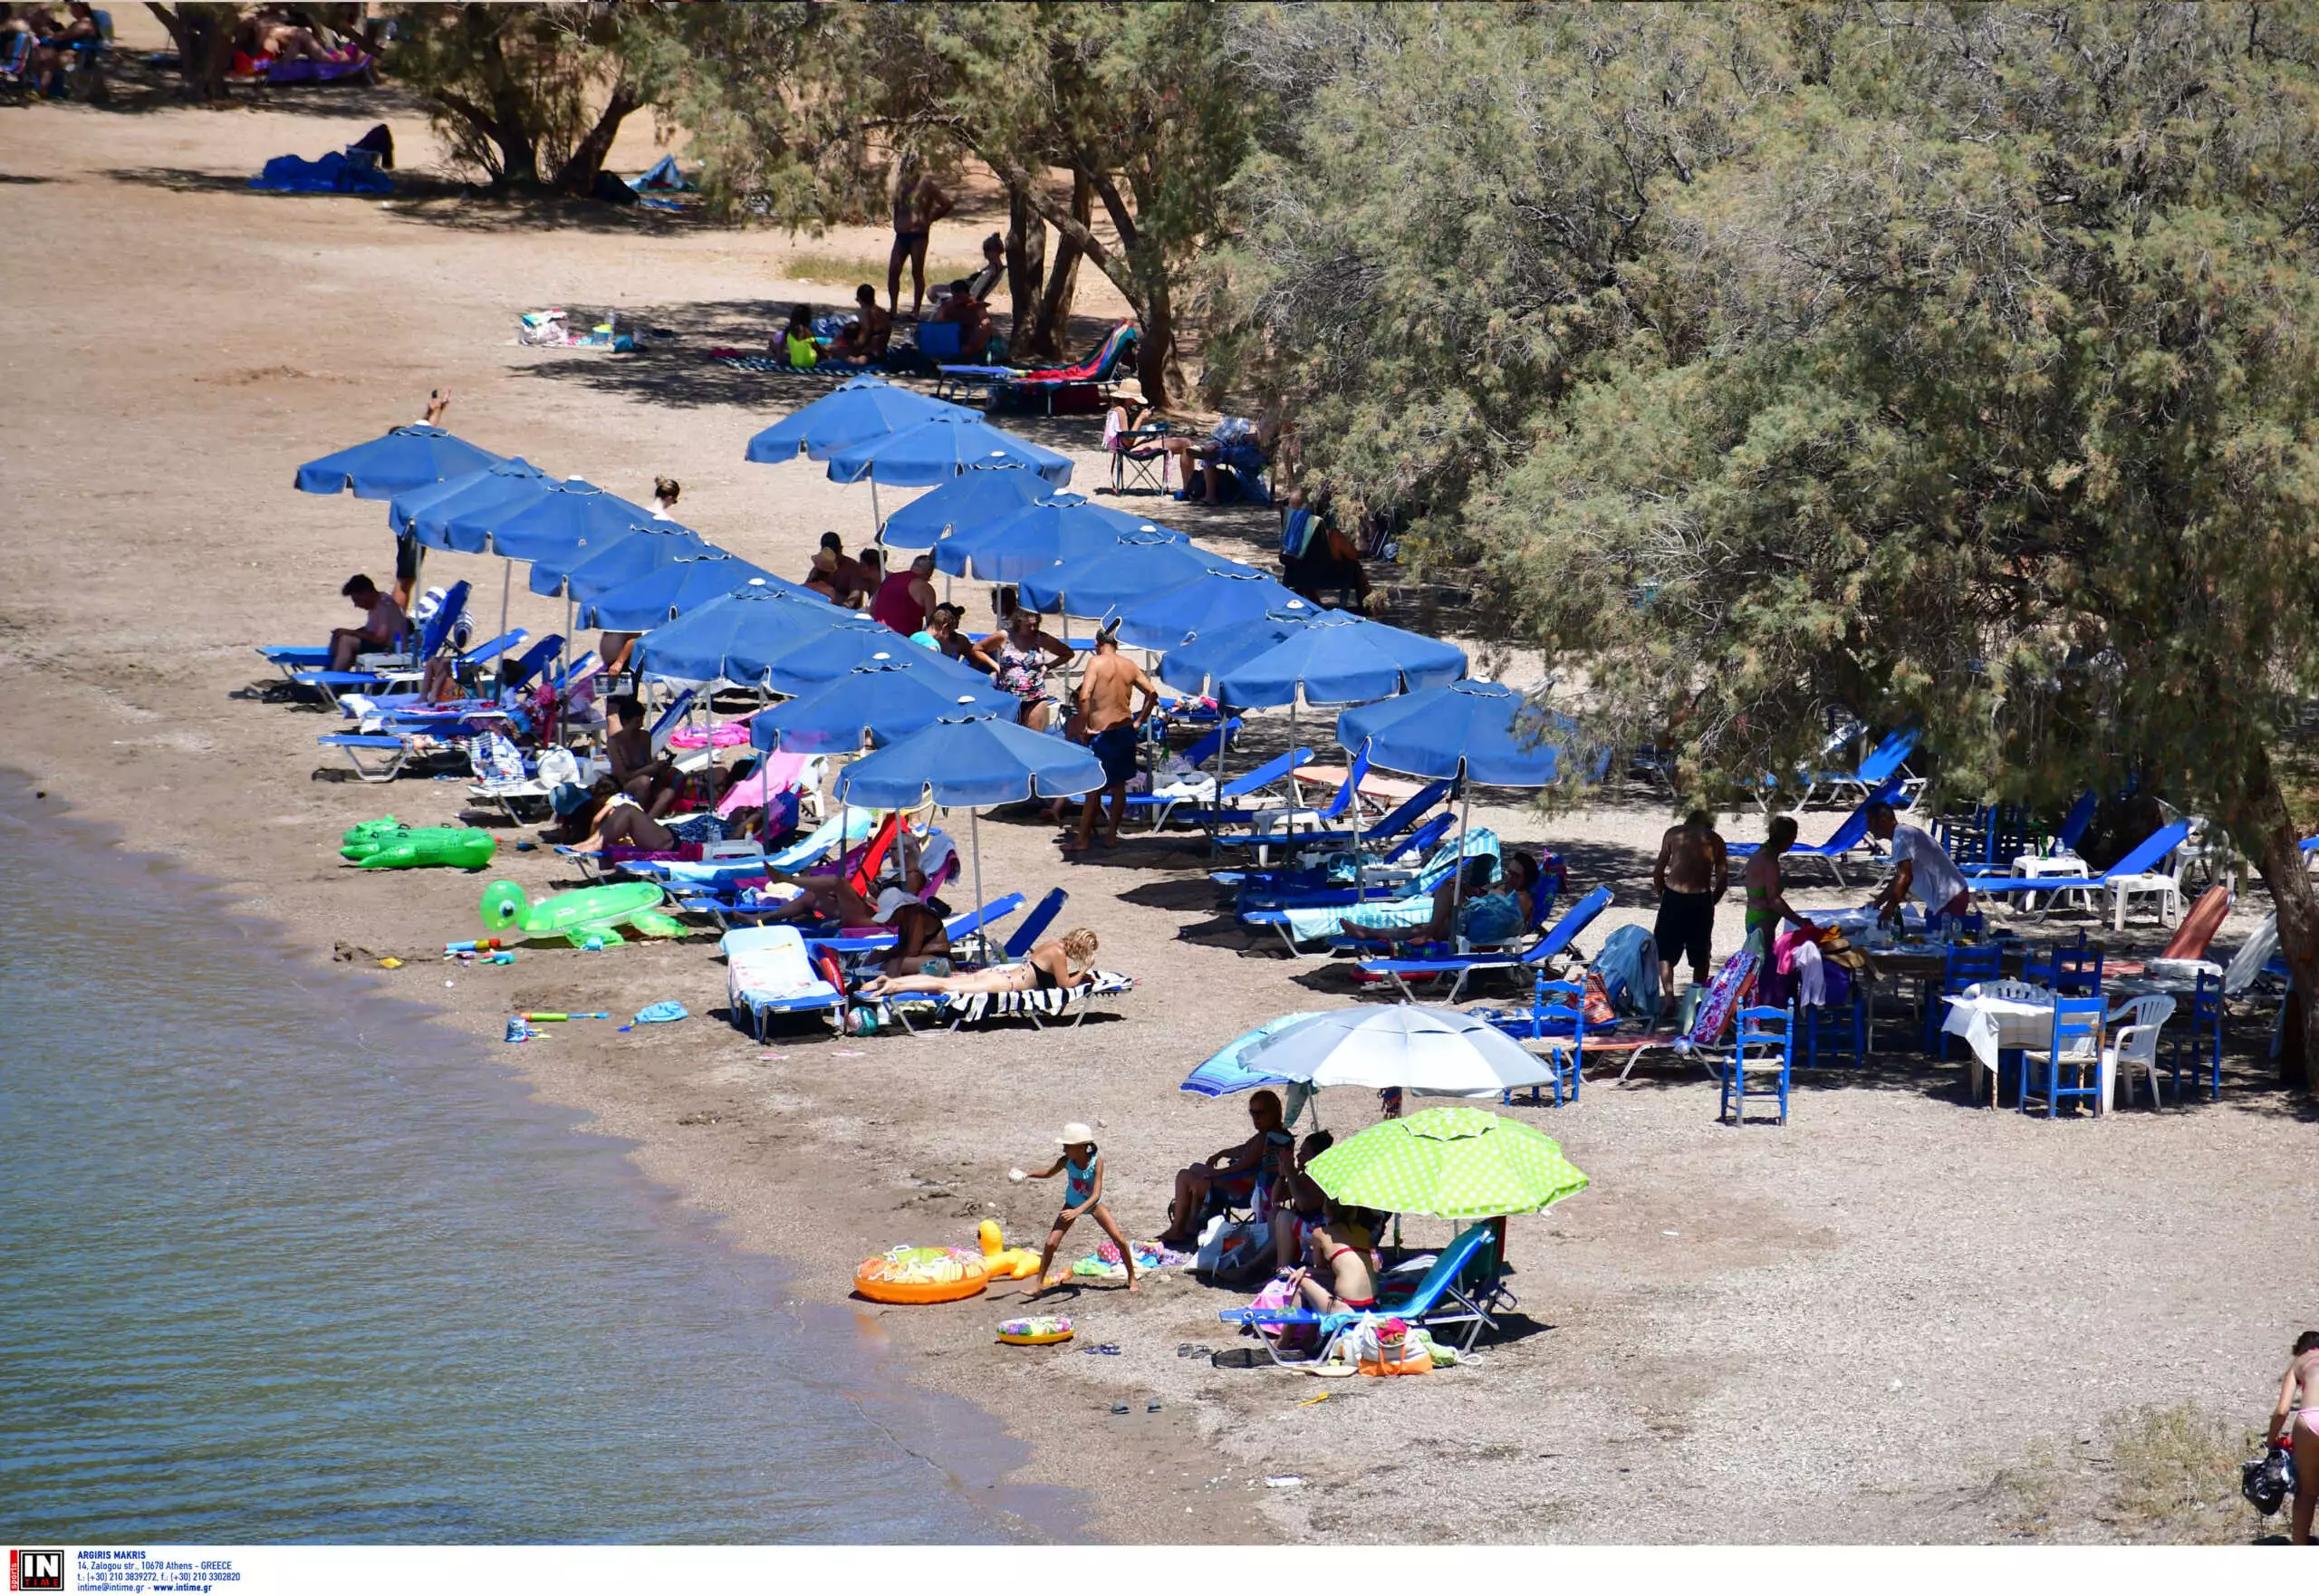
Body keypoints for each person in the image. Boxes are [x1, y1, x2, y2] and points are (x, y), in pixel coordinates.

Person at [1156, 1089, 1295, 1249]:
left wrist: (1215, 1174)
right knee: (1195, 1168)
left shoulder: (1265, 1138)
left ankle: (1178, 1229)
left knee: (1184, 1176)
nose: (1255, 1118)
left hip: (1243, 1193)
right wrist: (1223, 1153)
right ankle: (1192, 1222)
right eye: (1252, 1113)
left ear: (1274, 1112)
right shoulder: (1282, 1136)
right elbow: (1244, 1149)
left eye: (1260, 1113)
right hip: (1260, 1190)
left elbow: (1241, 1167)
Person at [1067, 624, 1160, 854]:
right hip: (1125, 730)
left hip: (1102, 732)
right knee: (1119, 788)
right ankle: (1111, 836)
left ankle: (1082, 839)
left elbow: (1085, 695)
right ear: (1116, 644)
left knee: (1093, 788)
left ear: (1097, 645)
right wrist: (1139, 721)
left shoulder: (1095, 662)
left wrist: (1085, 725)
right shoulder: (1129, 665)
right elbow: (1153, 693)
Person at [1022, 1123, 1137, 1298]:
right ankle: (1038, 1284)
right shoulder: (1065, 1161)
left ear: (1082, 1147)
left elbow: (1096, 1194)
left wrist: (1077, 1211)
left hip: (1093, 1205)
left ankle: (1132, 1278)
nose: (1064, 1149)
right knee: (1050, 1243)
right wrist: (1028, 1174)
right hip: (1071, 1203)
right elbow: (1048, 1173)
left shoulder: (1097, 1162)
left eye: (1068, 1146)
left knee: (1119, 1240)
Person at [857, 928, 1100, 1000]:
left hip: (996, 974)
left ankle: (892, 981)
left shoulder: (1052, 943)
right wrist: (1086, 969)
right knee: (943, 986)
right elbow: (1065, 984)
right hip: (1005, 984)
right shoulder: (1059, 955)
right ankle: (891, 987)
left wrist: (1080, 972)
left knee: (943, 981)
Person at [1341, 855, 1513, 947]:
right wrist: (1469, 889)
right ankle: (1369, 932)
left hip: (1483, 927)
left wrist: (1489, 895)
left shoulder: (1519, 895)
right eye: (1509, 872)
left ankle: (1428, 934)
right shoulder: (1505, 884)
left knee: (1445, 891)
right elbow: (1480, 892)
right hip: (1473, 917)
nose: (1510, 876)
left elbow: (1501, 914)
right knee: (1419, 926)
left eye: (1516, 874)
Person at [1653, 809, 1729, 1012]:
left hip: (1674, 896)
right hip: (1700, 899)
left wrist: (1663, 895)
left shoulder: (1673, 834)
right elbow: (1722, 878)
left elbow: (1658, 870)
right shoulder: (1715, 840)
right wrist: (1712, 901)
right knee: (1701, 952)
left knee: (1665, 949)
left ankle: (1669, 997)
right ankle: (1695, 999)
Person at [1864, 800, 1971, 926]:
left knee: (1941, 942)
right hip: (1947, 897)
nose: (1868, 828)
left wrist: (1889, 910)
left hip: (1949, 898)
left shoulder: (1901, 837)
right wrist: (1878, 903)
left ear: (1882, 821)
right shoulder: (1903, 833)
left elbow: (1906, 878)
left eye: (1870, 823)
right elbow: (1899, 878)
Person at [970, 607, 1073, 732]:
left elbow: (1067, 653)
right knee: (1005, 733)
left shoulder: (1041, 638)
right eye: (1029, 625)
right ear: (1019, 621)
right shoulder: (1004, 636)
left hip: (1035, 697)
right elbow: (977, 649)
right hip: (1006, 696)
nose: (1033, 628)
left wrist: (1048, 666)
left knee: (1032, 736)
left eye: (1036, 624)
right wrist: (996, 666)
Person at [2265, 1329, 2319, 1543]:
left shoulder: (2298, 1363)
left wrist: (2271, 1442)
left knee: (2307, 1491)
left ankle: (2299, 1545)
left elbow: (2282, 1410)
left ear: (2300, 1349)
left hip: (2308, 1422)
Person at [887, 153, 952, 319]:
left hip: (918, 235)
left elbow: (946, 203)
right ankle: (893, 309)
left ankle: (915, 311)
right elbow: (896, 205)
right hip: (901, 235)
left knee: (917, 271)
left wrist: (930, 219)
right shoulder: (900, 185)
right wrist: (897, 222)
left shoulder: (926, 184)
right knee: (894, 270)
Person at [1165, 414, 1277, 506]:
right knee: (1232, 435)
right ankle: (1213, 446)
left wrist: (1247, 438)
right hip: (1252, 451)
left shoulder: (1274, 417)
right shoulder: (1270, 414)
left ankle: (1210, 497)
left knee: (1213, 455)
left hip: (1257, 456)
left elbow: (1264, 442)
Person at [1743, 815, 1814, 952]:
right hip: (1762, 922)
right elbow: (1773, 899)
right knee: (1764, 965)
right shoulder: (1769, 861)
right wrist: (1799, 921)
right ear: (1786, 839)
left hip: (1758, 917)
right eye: (1793, 838)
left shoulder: (1764, 852)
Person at [1285, 1212, 1377, 1315]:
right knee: (1321, 1294)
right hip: (1372, 1307)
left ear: (1327, 1209)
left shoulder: (1320, 1233)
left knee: (1303, 1283)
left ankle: (1286, 1330)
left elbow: (1320, 1268)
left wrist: (1306, 1269)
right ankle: (1311, 1332)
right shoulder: (1364, 1233)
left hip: (1346, 1309)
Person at [605, 695, 678, 816]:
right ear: (625, 722)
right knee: (643, 782)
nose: (640, 725)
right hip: (624, 786)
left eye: (641, 720)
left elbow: (648, 763)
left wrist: (658, 767)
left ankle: (648, 820)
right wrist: (648, 769)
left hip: (646, 780)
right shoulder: (614, 742)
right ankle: (637, 818)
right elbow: (622, 776)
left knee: (669, 791)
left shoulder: (644, 737)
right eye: (636, 722)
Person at [329, 574, 406, 670]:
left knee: (347, 641)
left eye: (358, 600)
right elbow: (370, 630)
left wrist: (351, 633)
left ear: (366, 593)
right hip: (381, 645)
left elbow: (379, 638)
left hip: (392, 649)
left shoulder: (384, 605)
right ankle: (331, 670)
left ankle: (335, 679)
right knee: (340, 635)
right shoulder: (375, 605)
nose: (356, 605)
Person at [880, 901, 953, 981]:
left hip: (941, 962)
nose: (888, 922)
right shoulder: (905, 920)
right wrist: (882, 955)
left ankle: (893, 989)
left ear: (899, 910)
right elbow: (902, 948)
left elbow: (912, 951)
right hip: (926, 960)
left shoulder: (917, 915)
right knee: (887, 963)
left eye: (890, 917)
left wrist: (887, 957)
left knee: (893, 965)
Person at [871, 552, 938, 637]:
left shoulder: (889, 579)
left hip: (877, 633)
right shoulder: (925, 588)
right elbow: (932, 624)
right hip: (904, 640)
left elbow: (872, 606)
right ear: (929, 572)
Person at [827, 284, 892, 361]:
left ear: (860, 299)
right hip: (882, 353)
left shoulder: (868, 315)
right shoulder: (883, 313)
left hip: (868, 355)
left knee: (832, 350)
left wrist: (845, 338)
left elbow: (860, 343)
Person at [807, 533, 867, 606]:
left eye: (835, 553)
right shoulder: (821, 565)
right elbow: (808, 587)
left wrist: (846, 606)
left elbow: (856, 593)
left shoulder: (852, 567)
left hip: (845, 608)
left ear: (841, 549)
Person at [967, 231, 1006, 305]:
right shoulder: (996, 268)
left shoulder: (990, 272)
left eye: (987, 249)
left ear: (996, 251)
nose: (985, 252)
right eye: (984, 249)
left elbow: (974, 293)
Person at [778, 303, 818, 370]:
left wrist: (779, 360)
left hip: (795, 362)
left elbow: (781, 348)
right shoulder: (808, 332)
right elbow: (816, 348)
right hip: (810, 363)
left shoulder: (788, 331)